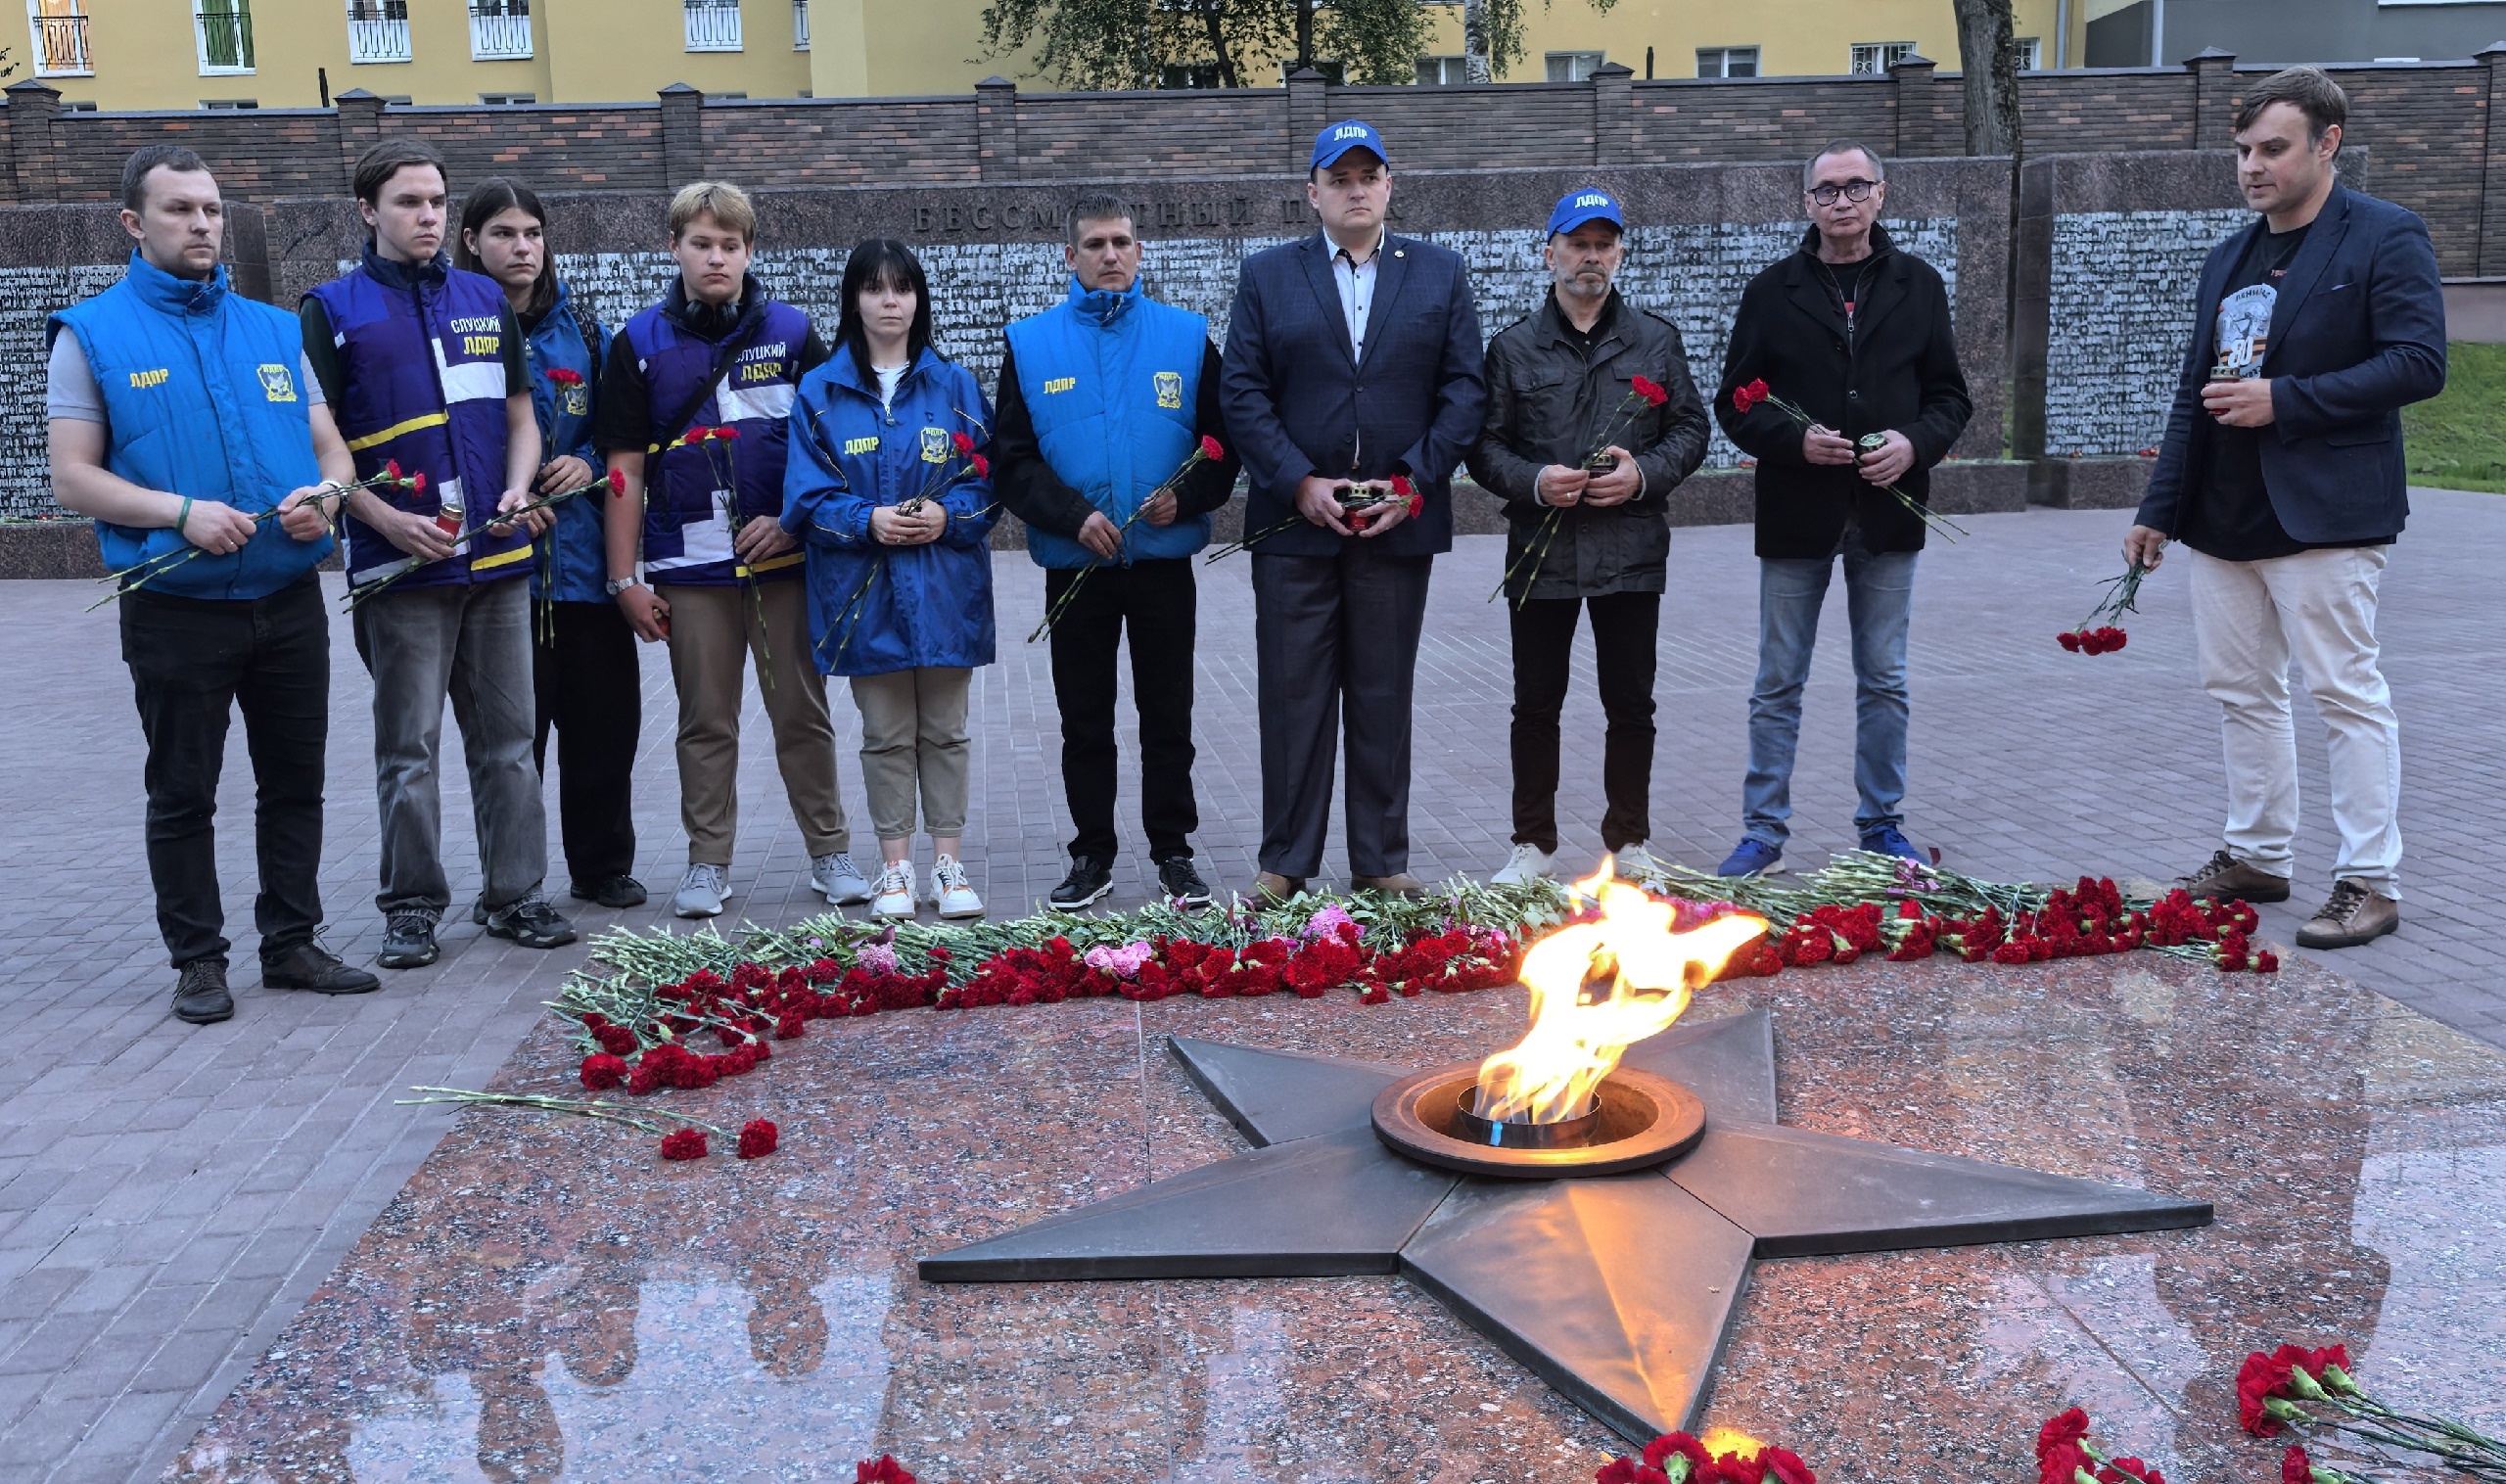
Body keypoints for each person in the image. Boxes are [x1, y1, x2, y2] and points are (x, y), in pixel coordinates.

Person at [47, 145, 379, 1023]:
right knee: (184, 792)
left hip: (287, 598)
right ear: (134, 223)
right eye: (180, 209)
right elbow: (73, 477)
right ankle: (198, 960)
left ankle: (292, 942)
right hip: (176, 608)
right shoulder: (91, 333)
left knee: (295, 782)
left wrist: (327, 499)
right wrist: (180, 513)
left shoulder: (273, 329)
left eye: (211, 209)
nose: (202, 224)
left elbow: (333, 453)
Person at [2124, 67, 2443, 950]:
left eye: (2272, 148)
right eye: (2242, 151)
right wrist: (2159, 506)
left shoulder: (2384, 234)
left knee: (2345, 694)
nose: (2252, 167)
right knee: (2240, 692)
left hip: (2326, 514)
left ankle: (2369, 880)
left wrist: (2286, 399)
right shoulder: (2228, 256)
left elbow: (2419, 362)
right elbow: (2194, 394)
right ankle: (2257, 855)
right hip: (2222, 515)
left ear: (2327, 143)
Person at [304, 137, 574, 968]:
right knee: (409, 750)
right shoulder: (331, 309)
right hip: (403, 568)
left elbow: (522, 416)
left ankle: (515, 895)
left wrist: (520, 487)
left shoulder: (485, 297)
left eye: (436, 202)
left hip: (496, 560)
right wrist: (384, 521)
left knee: (510, 743)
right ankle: (413, 907)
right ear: (367, 211)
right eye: (408, 202)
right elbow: (319, 447)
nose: (427, 216)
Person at [1219, 119, 1487, 902]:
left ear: (1389, 186)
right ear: (1314, 193)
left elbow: (1464, 390)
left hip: (1397, 523)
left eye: (1369, 176)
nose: (1356, 189)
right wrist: (1297, 481)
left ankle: (1378, 859)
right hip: (1296, 526)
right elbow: (1243, 390)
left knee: (1382, 695)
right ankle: (1285, 862)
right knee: (1293, 697)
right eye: (1340, 179)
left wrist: (1415, 482)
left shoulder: (1439, 273)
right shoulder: (1268, 275)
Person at [597, 181, 869, 920]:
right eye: (701, 243)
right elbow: (624, 469)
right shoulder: (637, 343)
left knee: (802, 714)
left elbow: (830, 445)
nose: (716, 257)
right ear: (674, 248)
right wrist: (624, 579)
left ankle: (830, 851)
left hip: (781, 562)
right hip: (689, 570)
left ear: (750, 251)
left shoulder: (793, 331)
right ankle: (707, 863)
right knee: (705, 722)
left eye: (730, 244)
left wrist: (792, 522)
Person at [1713, 138, 1972, 877]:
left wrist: (1914, 444)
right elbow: (1736, 403)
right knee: (1777, 683)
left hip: (1888, 512)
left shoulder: (1919, 285)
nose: (1842, 201)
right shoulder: (1772, 291)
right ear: (1807, 203)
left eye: (1856, 186)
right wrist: (1794, 440)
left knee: (1884, 679)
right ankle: (1763, 833)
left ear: (1881, 193)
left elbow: (1950, 397)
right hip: (1798, 512)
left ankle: (1882, 826)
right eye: (1827, 190)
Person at [992, 193, 1241, 911]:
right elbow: (1012, 461)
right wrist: (1073, 516)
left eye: (1121, 243)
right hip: (1079, 568)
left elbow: (1223, 447)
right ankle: (1092, 855)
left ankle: (1174, 852)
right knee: (1084, 721)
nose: (1110, 255)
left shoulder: (1186, 337)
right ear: (1070, 256)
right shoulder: (1031, 343)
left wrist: (1184, 499)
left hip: (1162, 564)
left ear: (1138, 251)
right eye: (1096, 244)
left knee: (1167, 715)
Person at [1466, 188, 1710, 886]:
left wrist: (1642, 475)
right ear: (1551, 254)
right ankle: (1532, 845)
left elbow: (1690, 429)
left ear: (1620, 254)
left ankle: (1629, 842)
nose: (1591, 257)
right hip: (1541, 551)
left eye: (1604, 245)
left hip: (1630, 549)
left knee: (1630, 704)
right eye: (1578, 244)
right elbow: (1483, 446)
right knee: (1535, 705)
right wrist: (1535, 481)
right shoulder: (1513, 346)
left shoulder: (1655, 340)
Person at [783, 239, 998, 920]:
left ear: (917, 299)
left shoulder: (955, 387)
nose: (889, 302)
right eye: (874, 288)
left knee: (946, 732)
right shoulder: (820, 392)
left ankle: (949, 865)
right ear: (854, 299)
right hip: (863, 594)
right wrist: (866, 520)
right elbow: (806, 499)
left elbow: (988, 483)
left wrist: (947, 514)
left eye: (902, 288)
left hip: (945, 589)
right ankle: (896, 869)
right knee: (885, 734)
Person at [455, 177, 645, 911]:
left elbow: (619, 434)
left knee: (604, 728)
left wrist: (588, 463)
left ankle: (601, 865)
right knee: (512, 741)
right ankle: (512, 881)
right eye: (503, 234)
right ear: (471, 241)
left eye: (532, 233)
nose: (521, 247)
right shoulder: (457, 329)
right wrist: (507, 499)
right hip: (504, 569)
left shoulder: (586, 331)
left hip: (585, 564)